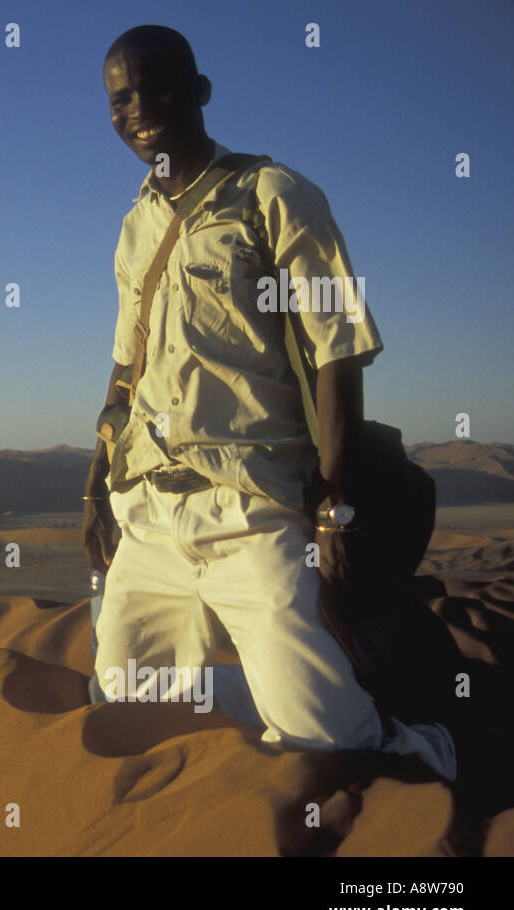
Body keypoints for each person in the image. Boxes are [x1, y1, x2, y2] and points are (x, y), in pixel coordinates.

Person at [81, 24, 456, 779]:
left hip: (249, 507)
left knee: (328, 742)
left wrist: (335, 504)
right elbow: (127, 369)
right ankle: (255, 708)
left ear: (200, 93)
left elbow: (337, 349)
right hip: (149, 509)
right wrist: (96, 483)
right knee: (125, 696)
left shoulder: (274, 194)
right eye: (122, 98)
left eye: (159, 87)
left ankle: (415, 743)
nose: (140, 108)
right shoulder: (134, 225)